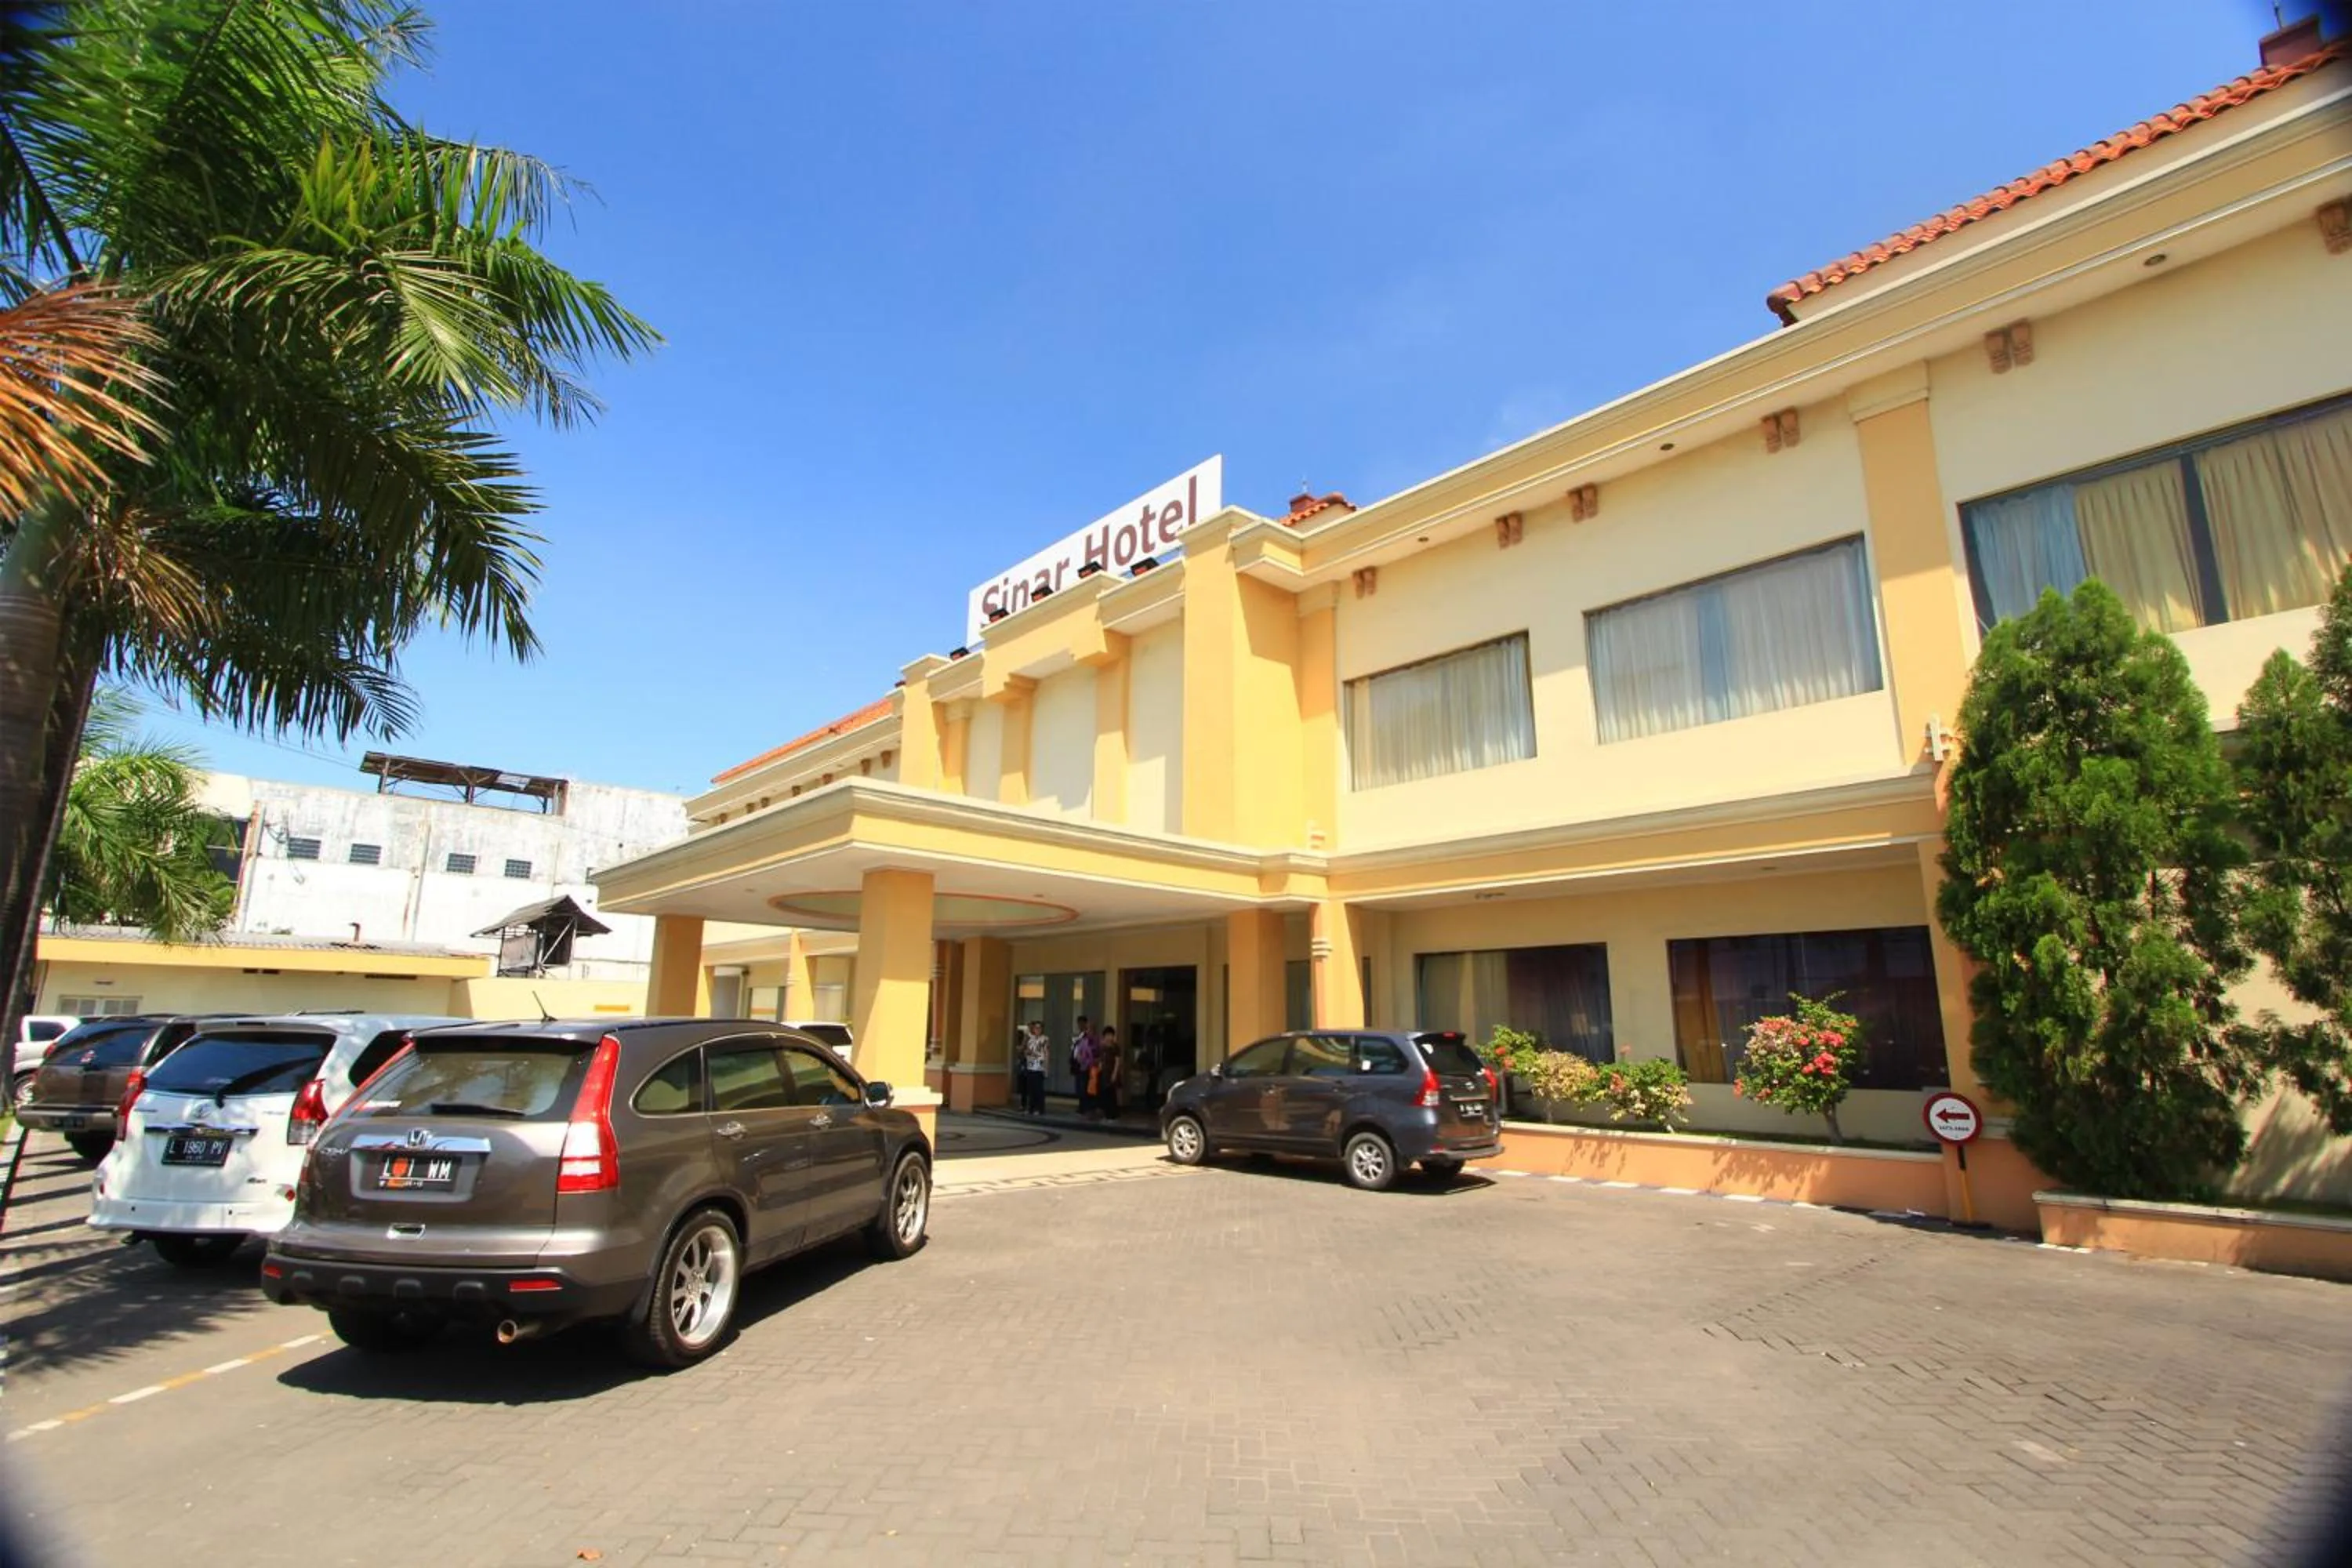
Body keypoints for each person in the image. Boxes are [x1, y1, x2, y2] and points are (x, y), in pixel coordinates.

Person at [1016, 1020, 1049, 1116]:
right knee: (1031, 1089)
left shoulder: (1044, 1039)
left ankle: (1040, 1108)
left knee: (1038, 1089)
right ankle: (1031, 1108)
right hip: (1030, 1065)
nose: (1037, 1030)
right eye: (1035, 1028)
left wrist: (1046, 1068)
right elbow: (1025, 1050)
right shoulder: (1031, 1039)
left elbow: (1046, 1053)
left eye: (1039, 1028)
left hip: (1039, 1066)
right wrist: (1026, 1052)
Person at [1071, 1016, 1100, 1116]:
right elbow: (1078, 1051)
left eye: (1091, 1029)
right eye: (1088, 1029)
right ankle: (1083, 1107)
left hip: (1093, 1068)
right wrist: (1079, 1059)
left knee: (1092, 1088)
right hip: (1083, 1067)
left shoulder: (1097, 1040)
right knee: (1082, 1088)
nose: (1089, 1031)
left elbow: (1099, 1053)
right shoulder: (1083, 1040)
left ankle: (1092, 1107)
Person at [1096, 1025, 1124, 1120]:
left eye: (1111, 1035)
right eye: (1107, 1035)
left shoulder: (1115, 1047)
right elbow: (1100, 1059)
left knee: (1112, 1093)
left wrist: (1114, 1074)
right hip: (1104, 1073)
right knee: (1104, 1093)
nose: (1109, 1037)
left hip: (1112, 1072)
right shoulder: (1102, 1046)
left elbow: (1117, 1061)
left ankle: (1113, 1114)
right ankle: (1106, 1113)